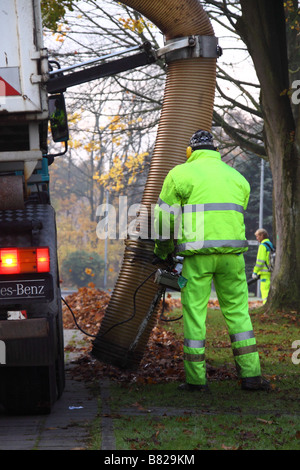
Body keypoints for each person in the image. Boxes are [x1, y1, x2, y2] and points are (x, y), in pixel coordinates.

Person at [153, 130, 270, 392]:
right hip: (232, 258)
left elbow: (163, 219)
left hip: (197, 258)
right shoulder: (237, 178)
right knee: (239, 314)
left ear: (190, 152)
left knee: (196, 316)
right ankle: (251, 376)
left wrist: (162, 252)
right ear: (215, 149)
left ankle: (196, 381)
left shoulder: (180, 174)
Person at [252, 228, 274, 304]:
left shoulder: (262, 246)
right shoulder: (270, 244)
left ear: (262, 235)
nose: (257, 238)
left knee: (264, 291)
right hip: (271, 271)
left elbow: (260, 261)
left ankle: (265, 305)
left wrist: (255, 272)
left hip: (264, 273)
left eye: (257, 236)